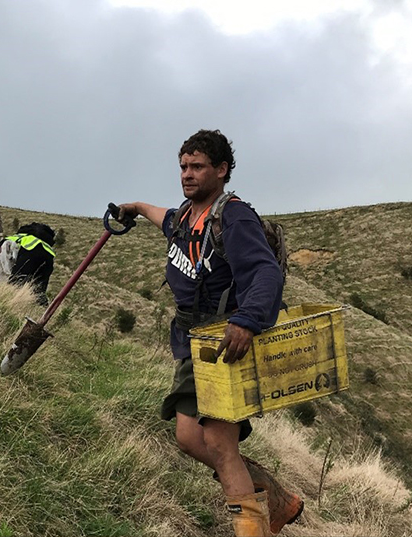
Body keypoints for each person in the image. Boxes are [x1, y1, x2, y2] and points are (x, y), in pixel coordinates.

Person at [115, 129, 300, 537]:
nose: (187, 173)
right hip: (192, 343)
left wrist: (247, 321)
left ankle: (252, 529)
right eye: (183, 166)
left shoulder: (233, 215)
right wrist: (135, 207)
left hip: (227, 342)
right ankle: (276, 496)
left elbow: (265, 271)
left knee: (217, 441)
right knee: (188, 437)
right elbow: (162, 218)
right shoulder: (184, 216)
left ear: (222, 170)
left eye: (197, 166)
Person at [1, 222, 55, 306]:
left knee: (16, 283)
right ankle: (42, 312)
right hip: (49, 257)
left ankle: (11, 305)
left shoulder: (17, 238)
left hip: (28, 253)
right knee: (39, 291)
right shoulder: (46, 245)